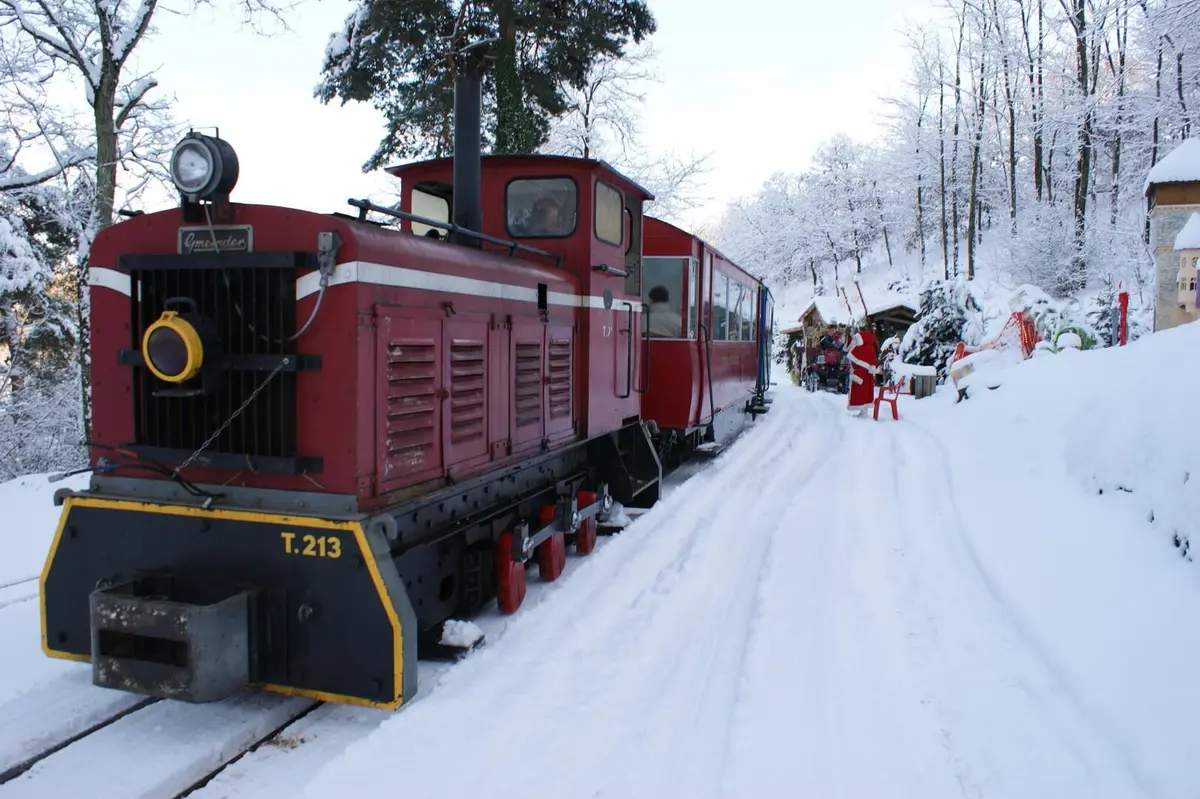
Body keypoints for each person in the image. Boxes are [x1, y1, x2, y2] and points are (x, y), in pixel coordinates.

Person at [846, 325, 878, 415]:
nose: (855, 341)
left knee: (860, 393)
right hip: (867, 375)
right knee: (866, 393)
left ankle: (863, 412)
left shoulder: (862, 348)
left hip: (860, 374)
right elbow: (872, 362)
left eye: (857, 339)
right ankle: (864, 411)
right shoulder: (870, 348)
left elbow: (853, 357)